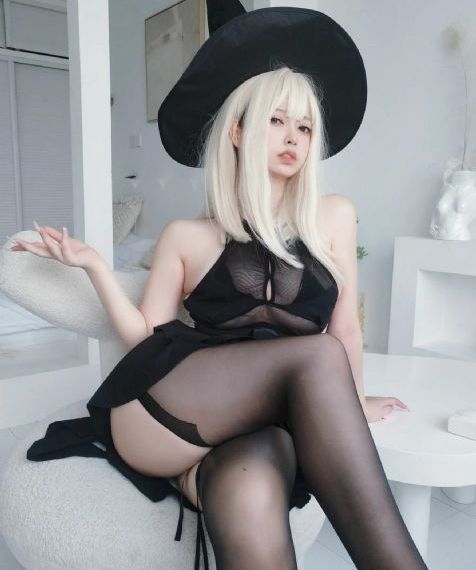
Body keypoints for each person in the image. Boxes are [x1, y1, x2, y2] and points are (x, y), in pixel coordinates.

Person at [12, 2, 429, 569]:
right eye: (276, 121)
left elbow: (346, 330)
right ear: (237, 130)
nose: (293, 137)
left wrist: (352, 403)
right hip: (169, 411)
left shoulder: (333, 216)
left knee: (253, 480)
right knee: (317, 355)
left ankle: (208, 478)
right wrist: (95, 268)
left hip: (258, 425)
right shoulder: (188, 236)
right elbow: (146, 337)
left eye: (305, 126)